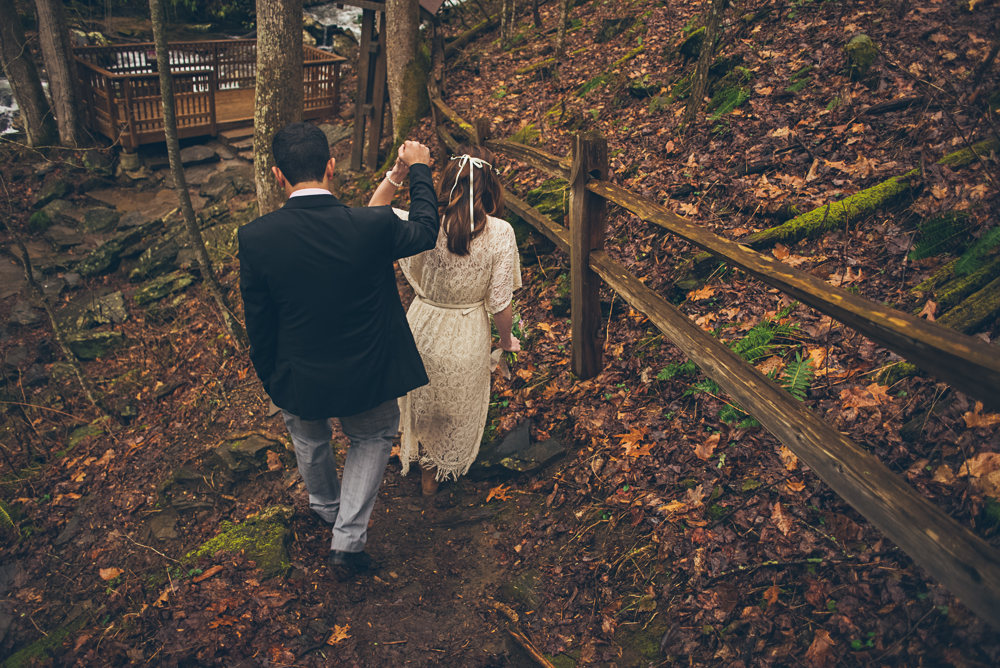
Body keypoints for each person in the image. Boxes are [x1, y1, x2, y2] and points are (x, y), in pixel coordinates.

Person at [238, 122, 438, 572]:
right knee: (372, 435)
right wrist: (419, 170)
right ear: (331, 166)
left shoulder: (255, 238)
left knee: (309, 439)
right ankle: (346, 541)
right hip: (367, 371)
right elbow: (425, 229)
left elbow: (259, 320)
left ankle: (326, 510)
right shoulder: (370, 226)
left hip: (298, 372)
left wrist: (271, 376)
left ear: (276, 175)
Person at [369, 145, 521, 496]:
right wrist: (505, 339)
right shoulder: (501, 233)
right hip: (466, 332)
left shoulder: (423, 221)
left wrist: (396, 174)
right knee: (453, 409)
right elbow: (500, 303)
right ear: (489, 188)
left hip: (421, 326)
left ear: (446, 184)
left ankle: (421, 465)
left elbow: (373, 214)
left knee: (422, 400)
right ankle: (433, 478)